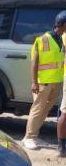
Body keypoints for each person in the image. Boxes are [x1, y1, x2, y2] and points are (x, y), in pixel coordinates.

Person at [23, 11, 66, 151]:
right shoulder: (43, 39)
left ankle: (34, 135)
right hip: (43, 83)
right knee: (37, 110)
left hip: (56, 82)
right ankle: (29, 138)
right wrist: (34, 82)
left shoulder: (61, 39)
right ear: (63, 24)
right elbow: (34, 62)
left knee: (44, 111)